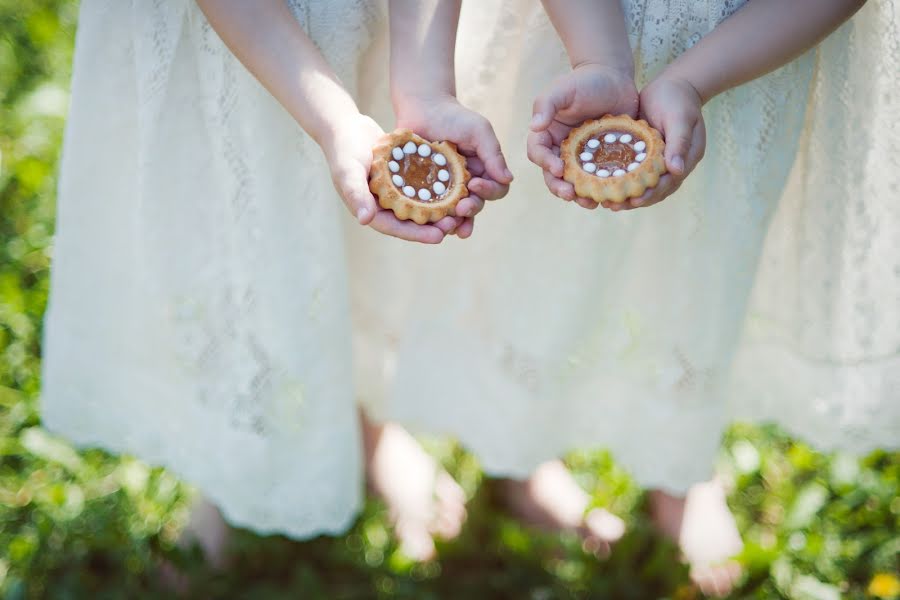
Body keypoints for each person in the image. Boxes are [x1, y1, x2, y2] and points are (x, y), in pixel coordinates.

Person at [359, 0, 896, 595]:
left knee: (709, 268)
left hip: (762, 47)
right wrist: (600, 56)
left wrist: (694, 79)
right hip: (574, 35)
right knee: (542, 265)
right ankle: (523, 444)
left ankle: (680, 465)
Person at [40, 0, 511, 566]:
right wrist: (333, 120)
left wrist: (425, 88)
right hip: (227, 33)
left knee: (356, 246)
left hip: (386, 23)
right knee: (232, 237)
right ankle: (229, 464)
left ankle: (368, 425)